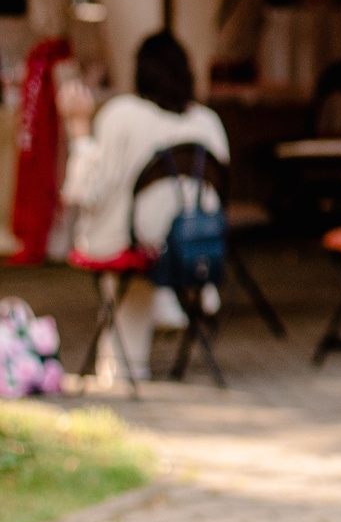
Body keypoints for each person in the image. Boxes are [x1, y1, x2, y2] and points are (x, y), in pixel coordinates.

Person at [58, 32, 228, 377]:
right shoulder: (207, 121)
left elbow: (85, 192)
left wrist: (78, 127)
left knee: (125, 232)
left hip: (137, 248)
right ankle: (171, 305)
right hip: (194, 247)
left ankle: (126, 364)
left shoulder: (123, 114)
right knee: (156, 226)